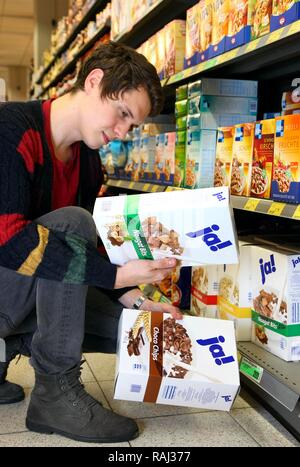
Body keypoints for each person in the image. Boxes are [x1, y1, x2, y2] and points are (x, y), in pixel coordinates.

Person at [0, 41, 182, 444]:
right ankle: (53, 393)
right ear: (94, 81)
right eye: (122, 115)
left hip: (20, 292)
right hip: (5, 281)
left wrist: (135, 298)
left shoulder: (86, 162)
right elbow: (10, 240)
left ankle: (11, 344)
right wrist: (115, 274)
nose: (121, 133)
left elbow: (84, 254)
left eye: (131, 126)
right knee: (72, 220)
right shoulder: (12, 129)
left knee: (134, 330)